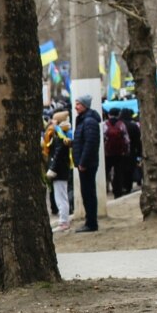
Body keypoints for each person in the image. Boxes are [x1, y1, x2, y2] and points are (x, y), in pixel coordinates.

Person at [72, 96, 101, 233]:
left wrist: (83, 162)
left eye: (78, 104)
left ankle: (91, 223)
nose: (75, 106)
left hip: (87, 164)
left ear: (85, 105)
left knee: (88, 193)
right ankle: (90, 221)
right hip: (85, 163)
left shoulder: (88, 121)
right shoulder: (84, 120)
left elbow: (90, 144)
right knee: (87, 192)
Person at [45, 112, 75, 233]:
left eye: (54, 120)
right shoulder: (63, 134)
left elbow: (57, 155)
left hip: (59, 171)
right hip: (63, 169)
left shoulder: (59, 136)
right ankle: (63, 220)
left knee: (61, 196)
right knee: (61, 196)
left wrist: (52, 168)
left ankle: (64, 221)